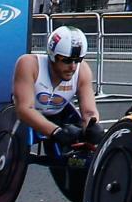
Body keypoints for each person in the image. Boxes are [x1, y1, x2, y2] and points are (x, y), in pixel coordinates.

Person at [10, 24, 102, 154]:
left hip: (58, 115)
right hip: (24, 118)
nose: (73, 67)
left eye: (78, 60)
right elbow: (24, 109)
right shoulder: (29, 64)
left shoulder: (83, 71)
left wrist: (93, 126)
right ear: (52, 56)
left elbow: (89, 112)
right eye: (66, 60)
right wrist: (55, 132)